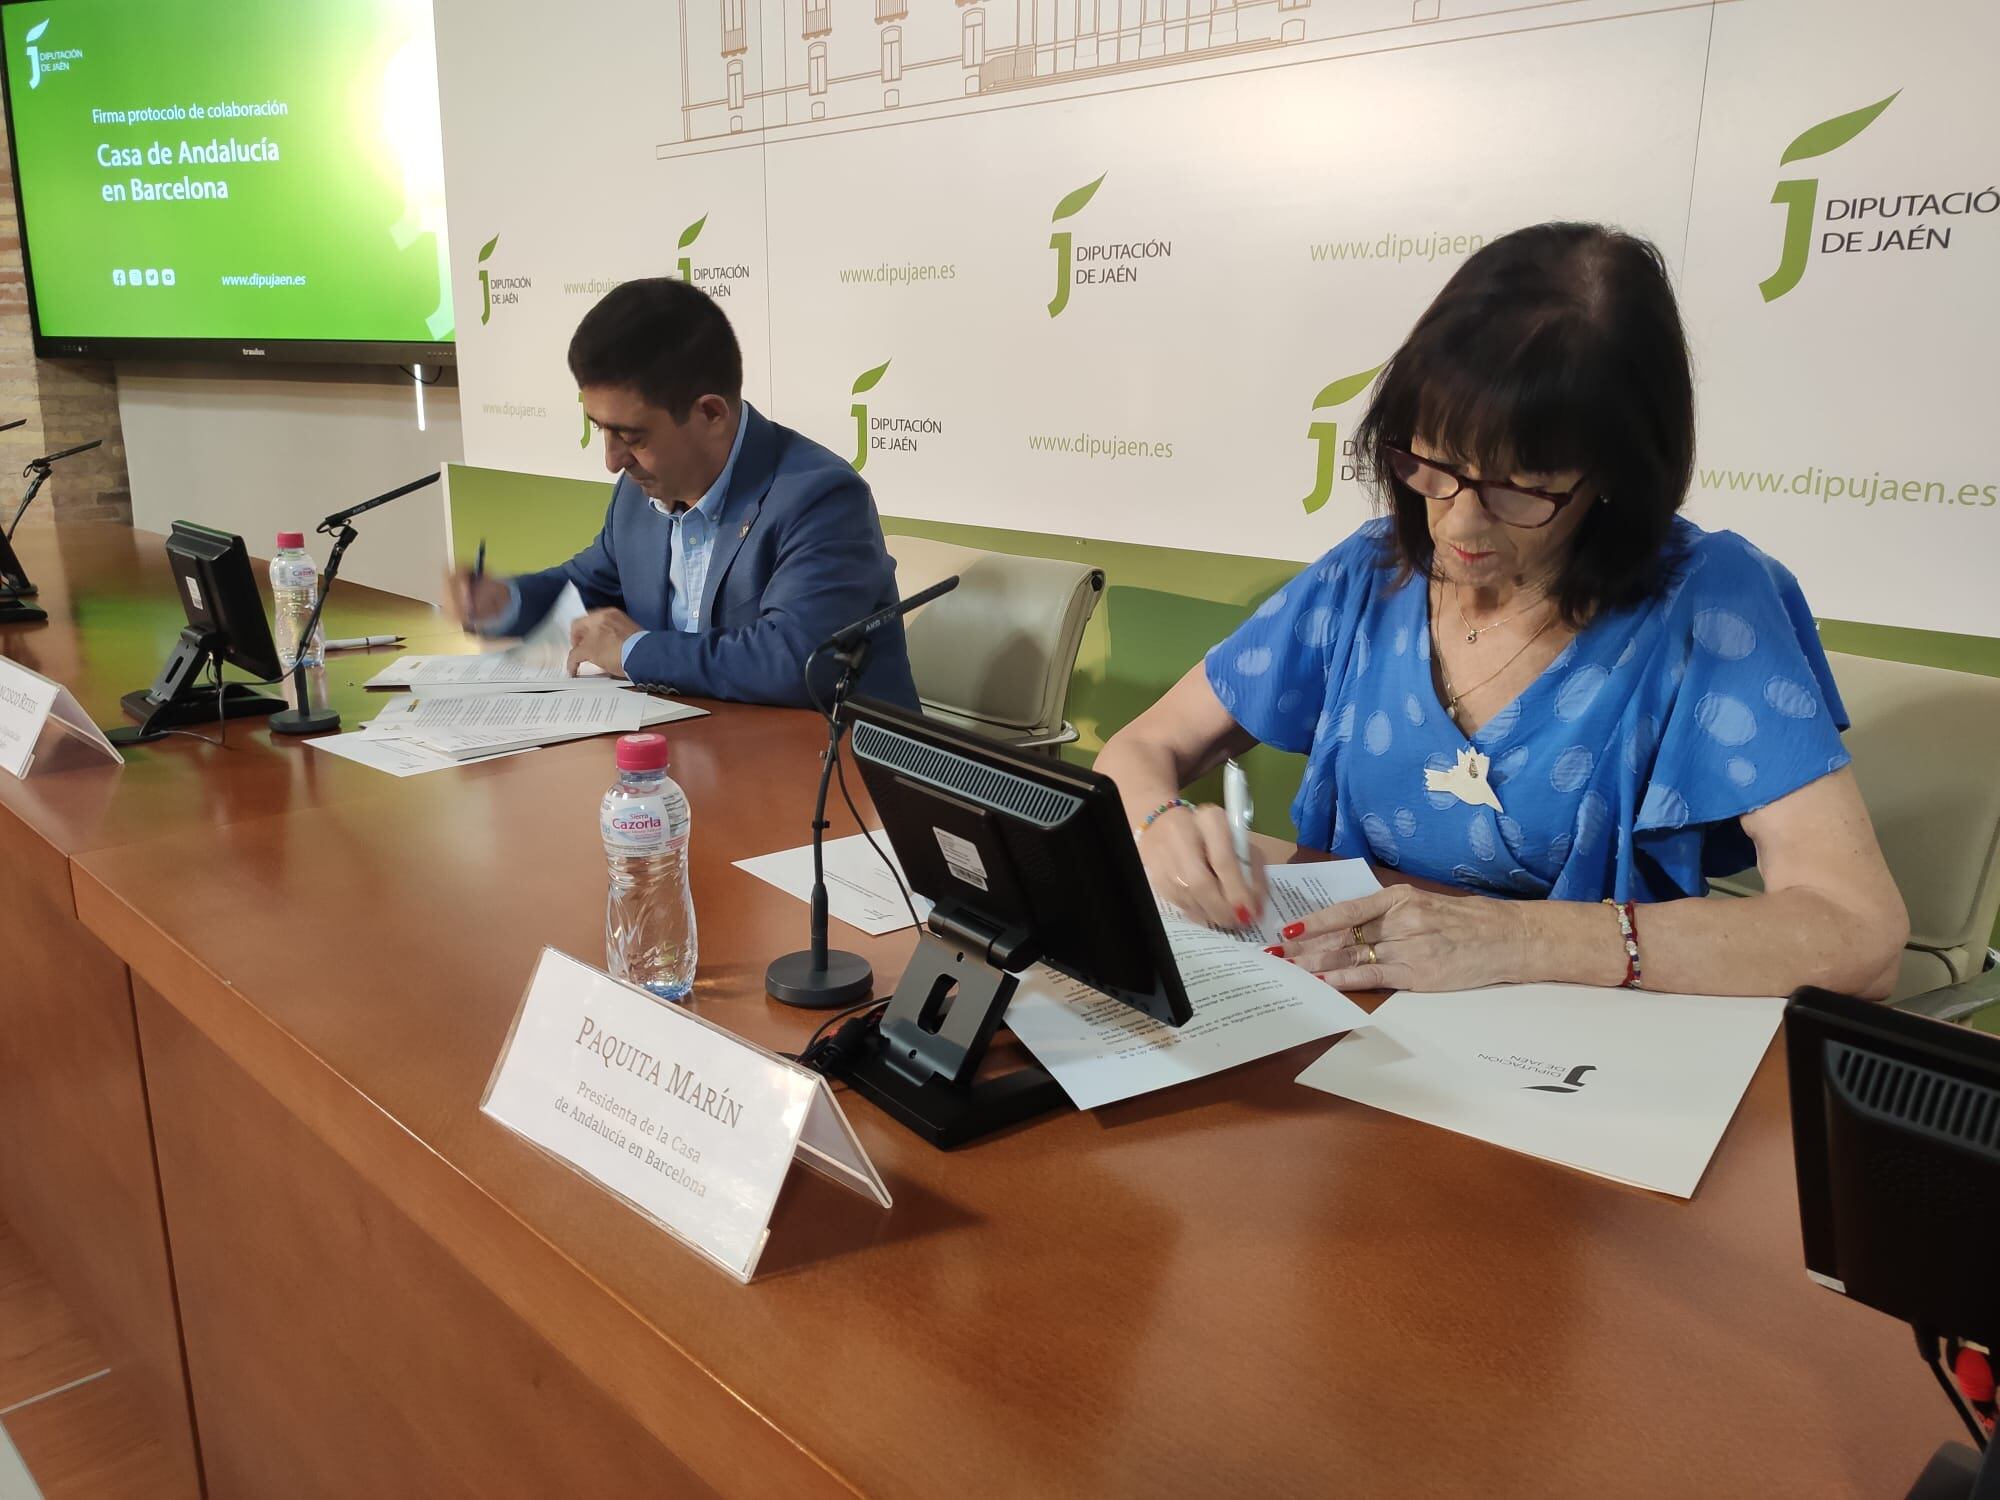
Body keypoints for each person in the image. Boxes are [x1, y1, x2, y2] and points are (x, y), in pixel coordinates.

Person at [1096, 222, 1908, 1000]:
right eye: (1431, 465)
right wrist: (1161, 821)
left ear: (1617, 473)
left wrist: (1515, 940)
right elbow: (1141, 748)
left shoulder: (1707, 602)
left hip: (1577, 1047)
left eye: (1520, 488)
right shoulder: (1369, 574)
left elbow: (1857, 935)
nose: (1457, 525)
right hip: (1358, 1012)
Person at [447, 278, 920, 710]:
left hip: (829, 781)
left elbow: (796, 661)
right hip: (692, 756)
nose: (612, 460)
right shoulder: (637, 494)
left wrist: (634, 650)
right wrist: (502, 601)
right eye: (600, 430)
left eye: (631, 436)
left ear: (710, 413)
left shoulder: (820, 498)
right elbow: (582, 588)